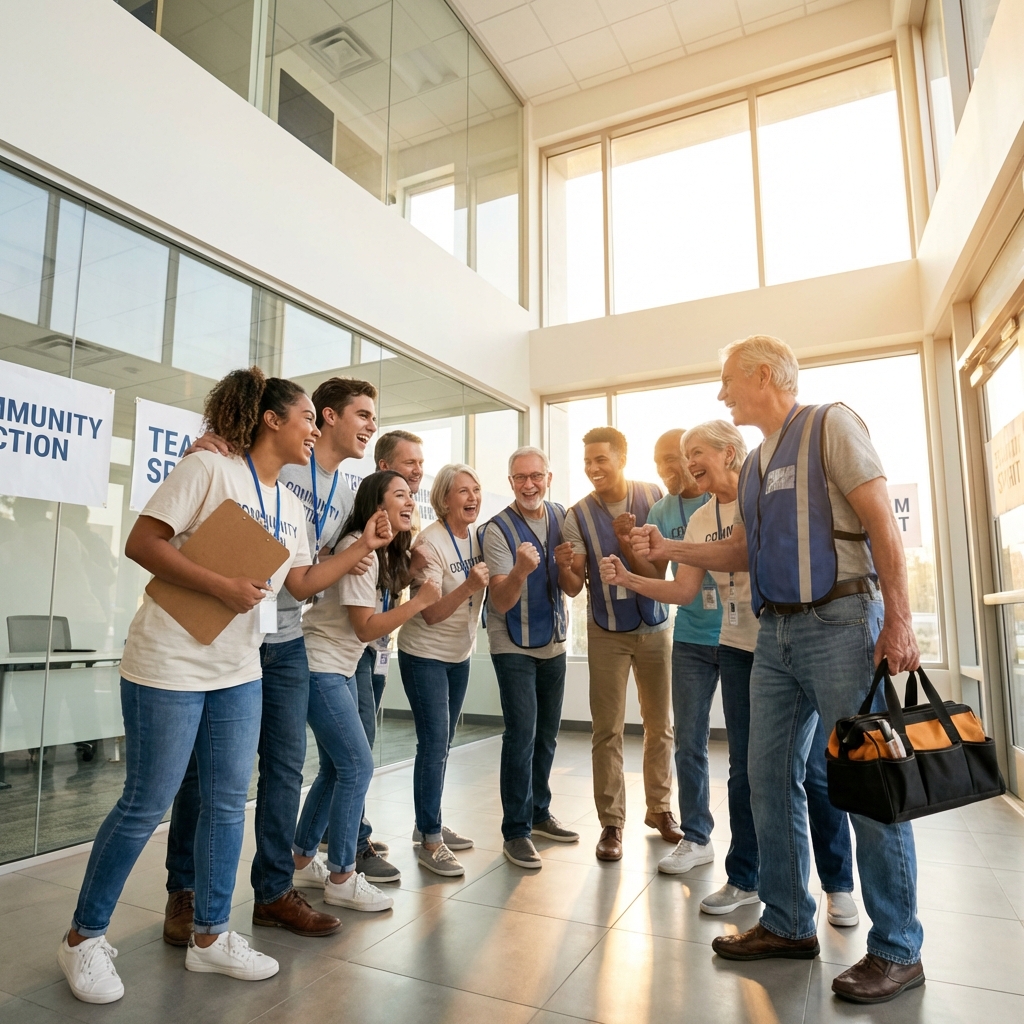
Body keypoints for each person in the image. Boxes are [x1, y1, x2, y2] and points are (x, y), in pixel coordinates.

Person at [58, 368, 384, 1003]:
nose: (312, 430)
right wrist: (219, 586)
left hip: (239, 669)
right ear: (271, 420)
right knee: (146, 803)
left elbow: (298, 584)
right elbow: (142, 541)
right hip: (170, 662)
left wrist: (361, 546)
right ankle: (82, 938)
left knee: (230, 803)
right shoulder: (209, 469)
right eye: (306, 419)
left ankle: (209, 937)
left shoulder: (290, 505)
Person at [631, 335, 924, 1005]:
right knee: (764, 776)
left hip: (842, 623)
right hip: (776, 635)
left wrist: (899, 620)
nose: (721, 394)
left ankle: (898, 949)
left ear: (764, 374)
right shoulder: (758, 462)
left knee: (867, 782)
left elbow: (883, 523)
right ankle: (789, 921)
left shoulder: (831, 425)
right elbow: (741, 549)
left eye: (728, 380)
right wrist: (670, 547)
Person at [602, 421, 857, 926]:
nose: (689, 462)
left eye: (697, 452)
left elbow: (741, 550)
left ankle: (838, 884)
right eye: (686, 455)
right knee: (747, 769)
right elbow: (683, 590)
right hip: (739, 647)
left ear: (730, 453)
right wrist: (629, 576)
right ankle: (745, 878)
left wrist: (668, 549)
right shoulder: (700, 518)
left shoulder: (760, 497)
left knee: (813, 770)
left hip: (791, 642)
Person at [162, 377, 385, 945]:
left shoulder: (345, 492)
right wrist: (203, 441)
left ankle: (274, 892)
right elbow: (216, 479)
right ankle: (183, 891)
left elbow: (309, 573)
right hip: (228, 630)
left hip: (286, 638)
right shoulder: (264, 459)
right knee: (203, 773)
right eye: (362, 414)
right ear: (326, 416)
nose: (371, 426)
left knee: (286, 767)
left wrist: (360, 548)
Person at [292, 471, 442, 905]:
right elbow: (364, 628)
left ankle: (300, 861)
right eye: (400, 494)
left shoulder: (374, 551)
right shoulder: (359, 549)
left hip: (334, 667)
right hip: (321, 667)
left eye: (411, 495)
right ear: (377, 505)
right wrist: (419, 603)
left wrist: (406, 574)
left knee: (337, 768)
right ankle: (342, 877)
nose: (410, 501)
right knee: (357, 766)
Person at [556, 426, 679, 862]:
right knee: (606, 730)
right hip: (607, 630)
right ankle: (611, 823)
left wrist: (630, 545)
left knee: (660, 725)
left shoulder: (655, 497)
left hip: (656, 627)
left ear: (622, 459)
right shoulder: (577, 515)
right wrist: (565, 567)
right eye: (587, 462)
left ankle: (660, 809)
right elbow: (574, 586)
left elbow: (664, 567)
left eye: (601, 460)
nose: (593, 468)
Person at [480, 446, 580, 869]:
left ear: (548, 478)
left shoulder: (562, 517)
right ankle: (516, 831)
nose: (529, 484)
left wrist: (568, 566)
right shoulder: (497, 530)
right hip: (512, 645)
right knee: (521, 735)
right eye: (520, 477)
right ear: (510, 482)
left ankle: (539, 813)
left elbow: (572, 587)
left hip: (553, 642)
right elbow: (501, 602)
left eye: (536, 476)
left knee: (547, 735)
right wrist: (521, 569)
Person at [397, 463, 489, 877]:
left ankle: (426, 821)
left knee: (443, 744)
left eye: (476, 489)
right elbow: (430, 613)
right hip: (424, 655)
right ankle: (430, 841)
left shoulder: (478, 537)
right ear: (444, 499)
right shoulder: (429, 543)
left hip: (459, 656)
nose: (472, 497)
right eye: (463, 491)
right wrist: (469, 586)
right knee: (434, 744)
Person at [344, 428, 429, 869]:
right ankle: (353, 843)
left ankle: (343, 833)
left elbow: (386, 583)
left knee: (360, 746)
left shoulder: (402, 523)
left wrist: (408, 572)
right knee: (356, 753)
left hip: (378, 646)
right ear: (383, 469)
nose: (417, 472)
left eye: (420, 463)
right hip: (353, 648)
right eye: (409, 463)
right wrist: (418, 599)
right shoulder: (363, 530)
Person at [641, 429, 722, 875]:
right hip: (690, 636)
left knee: (750, 751)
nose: (666, 470)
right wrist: (634, 549)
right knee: (689, 742)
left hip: (738, 636)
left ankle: (754, 845)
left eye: (673, 459)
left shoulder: (721, 500)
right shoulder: (660, 510)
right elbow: (659, 572)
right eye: (659, 462)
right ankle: (696, 837)